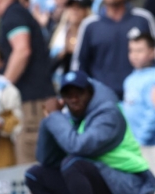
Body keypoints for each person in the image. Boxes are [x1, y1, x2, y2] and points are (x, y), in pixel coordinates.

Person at [25, 71, 155, 194]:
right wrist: (49, 120)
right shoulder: (70, 116)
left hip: (129, 183)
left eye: (79, 94)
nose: (74, 99)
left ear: (90, 92)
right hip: (101, 179)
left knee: (73, 164)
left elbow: (78, 147)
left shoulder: (108, 113)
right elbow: (46, 159)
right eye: (68, 95)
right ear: (62, 99)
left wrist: (55, 116)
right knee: (34, 174)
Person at [0, 0, 55, 164]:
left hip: (32, 104)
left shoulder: (14, 14)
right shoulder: (18, 14)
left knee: (30, 164)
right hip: (34, 101)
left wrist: (3, 87)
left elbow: (22, 50)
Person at [72, 0, 155, 99]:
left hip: (140, 97)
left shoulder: (143, 19)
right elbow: (79, 65)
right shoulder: (90, 25)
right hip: (101, 98)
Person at [123, 33, 155, 171]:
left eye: (139, 50)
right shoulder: (130, 79)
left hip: (149, 145)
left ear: (152, 52)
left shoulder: (152, 78)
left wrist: (141, 140)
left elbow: (153, 112)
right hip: (133, 143)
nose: (134, 55)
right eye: (131, 50)